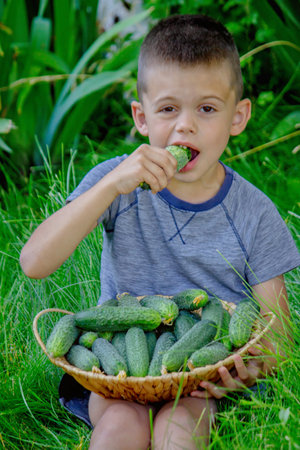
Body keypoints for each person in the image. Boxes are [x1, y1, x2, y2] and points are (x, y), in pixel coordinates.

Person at [20, 14, 299, 450]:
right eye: (168, 109)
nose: (185, 126)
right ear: (142, 117)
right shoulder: (120, 183)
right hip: (118, 373)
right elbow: (33, 263)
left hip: (202, 382)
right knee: (120, 429)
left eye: (206, 109)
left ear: (238, 117)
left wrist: (248, 369)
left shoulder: (255, 212)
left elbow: (278, 336)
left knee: (176, 428)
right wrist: (111, 185)